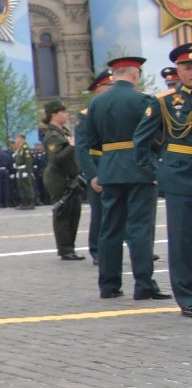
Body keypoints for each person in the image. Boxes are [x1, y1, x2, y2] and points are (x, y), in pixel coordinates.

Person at [82, 54, 165, 300]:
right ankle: (143, 285)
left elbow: (92, 141)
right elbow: (155, 136)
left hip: (109, 169)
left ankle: (109, 286)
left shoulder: (96, 103)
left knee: (109, 229)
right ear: (134, 75)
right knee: (139, 228)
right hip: (140, 170)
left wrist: (99, 170)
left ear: (115, 75)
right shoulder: (144, 100)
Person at [156, 43, 192, 316]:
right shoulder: (166, 102)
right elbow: (143, 142)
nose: (190, 72)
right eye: (186, 67)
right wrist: (160, 170)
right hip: (180, 176)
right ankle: (187, 296)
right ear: (178, 71)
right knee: (182, 240)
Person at [41, 101, 86, 261]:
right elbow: (56, 158)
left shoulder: (63, 131)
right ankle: (65, 249)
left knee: (74, 212)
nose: (66, 114)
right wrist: (72, 146)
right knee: (62, 213)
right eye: (63, 112)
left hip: (70, 177)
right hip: (58, 178)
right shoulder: (52, 135)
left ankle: (70, 247)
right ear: (54, 114)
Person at [80, 69, 110, 264]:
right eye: (109, 86)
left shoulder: (115, 109)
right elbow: (82, 149)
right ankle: (97, 250)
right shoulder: (86, 115)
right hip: (98, 166)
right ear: (98, 89)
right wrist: (91, 175)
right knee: (99, 213)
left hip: (116, 165)